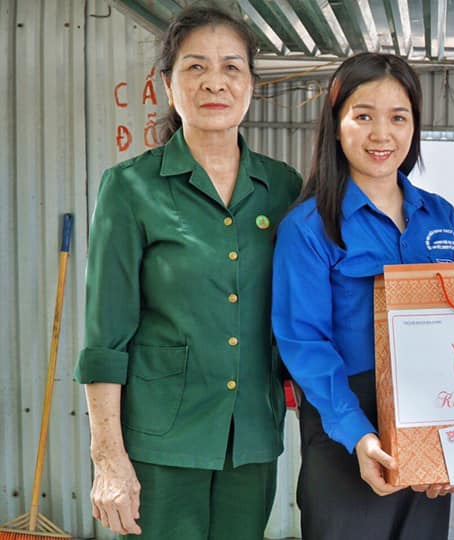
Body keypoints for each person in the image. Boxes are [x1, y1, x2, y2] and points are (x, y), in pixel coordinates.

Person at [74, 6, 302, 539]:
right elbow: (105, 337)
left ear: (251, 85)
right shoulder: (131, 187)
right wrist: (108, 459)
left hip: (251, 439)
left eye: (231, 67)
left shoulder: (283, 187)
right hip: (160, 444)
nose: (214, 82)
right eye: (195, 67)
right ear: (168, 84)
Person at [271, 52, 454, 540]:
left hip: (428, 415)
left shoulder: (441, 216)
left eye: (398, 118)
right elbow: (304, 343)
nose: (382, 134)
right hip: (346, 423)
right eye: (363, 117)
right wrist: (357, 433)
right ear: (336, 126)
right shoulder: (309, 227)